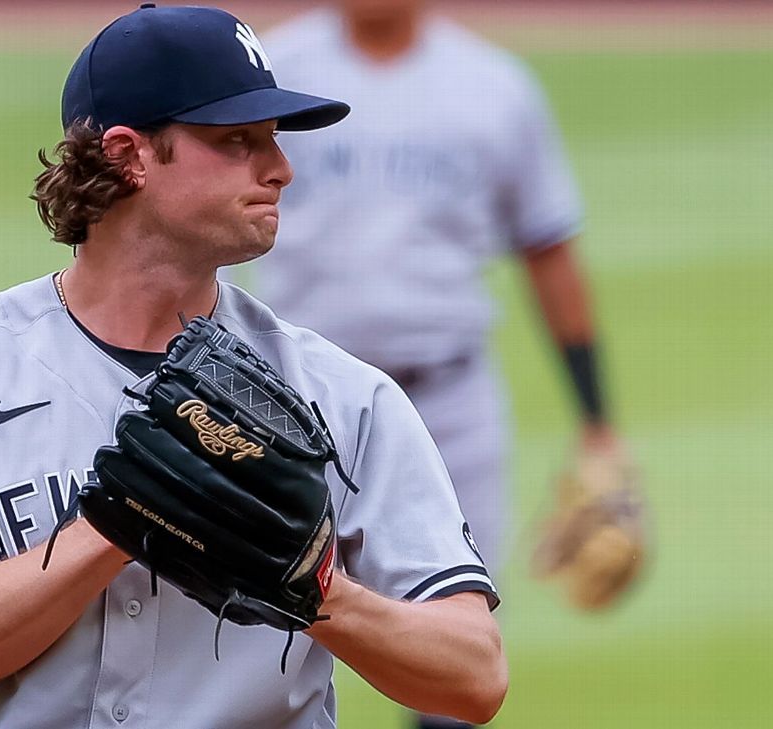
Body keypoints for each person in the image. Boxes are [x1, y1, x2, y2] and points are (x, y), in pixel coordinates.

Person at [0, 5, 506, 728]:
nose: (281, 169)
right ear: (129, 154)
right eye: (237, 141)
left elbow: (472, 675)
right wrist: (119, 522)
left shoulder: (344, 396)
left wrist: (317, 589)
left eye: (274, 139)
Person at [242, 2, 632, 726]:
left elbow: (549, 247)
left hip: (446, 408)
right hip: (286, 405)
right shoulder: (269, 70)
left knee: (451, 659)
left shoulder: (494, 86)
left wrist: (597, 425)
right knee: (247, 649)